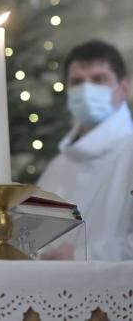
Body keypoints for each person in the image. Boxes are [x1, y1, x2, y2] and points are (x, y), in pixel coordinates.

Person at [37, 40, 133, 260]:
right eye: (77, 82)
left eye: (99, 79)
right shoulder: (58, 165)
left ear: (123, 88)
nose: (87, 90)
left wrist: (81, 256)